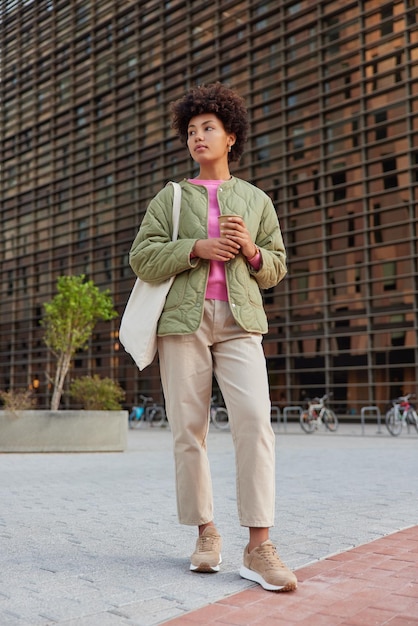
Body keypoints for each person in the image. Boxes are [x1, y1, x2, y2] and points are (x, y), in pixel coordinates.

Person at [129, 82, 297, 592]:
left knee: (254, 423)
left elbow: (277, 268)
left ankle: (259, 546)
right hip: (184, 322)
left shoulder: (256, 200)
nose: (197, 137)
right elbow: (142, 256)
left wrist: (251, 250)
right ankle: (206, 533)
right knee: (189, 431)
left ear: (230, 137)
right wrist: (196, 246)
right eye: (190, 130)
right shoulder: (172, 197)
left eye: (208, 128)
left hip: (240, 322)